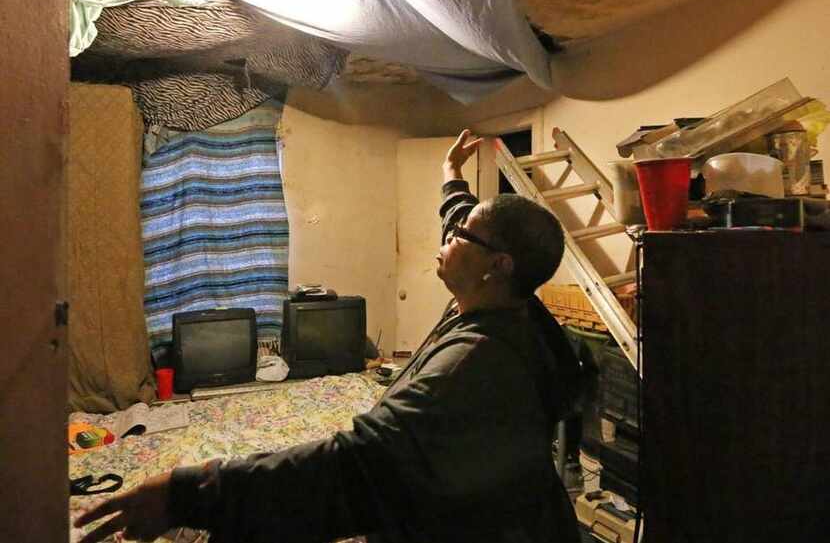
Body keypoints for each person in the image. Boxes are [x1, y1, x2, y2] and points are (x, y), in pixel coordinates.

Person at [76, 129, 582, 543]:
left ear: (497, 266)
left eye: (462, 235)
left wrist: (189, 492)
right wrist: (451, 176)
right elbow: (463, 218)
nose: (449, 238)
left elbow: (348, 469)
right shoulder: (511, 299)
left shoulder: (469, 369)